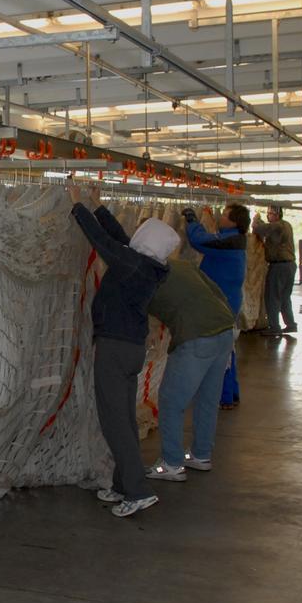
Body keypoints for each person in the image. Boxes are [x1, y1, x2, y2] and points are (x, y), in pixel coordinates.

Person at [71, 202, 179, 518]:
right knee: (126, 419)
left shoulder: (133, 265)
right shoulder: (147, 265)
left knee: (114, 422)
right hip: (128, 349)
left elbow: (105, 244)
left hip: (115, 349)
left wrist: (78, 209)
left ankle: (138, 491)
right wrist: (98, 207)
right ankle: (122, 484)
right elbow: (121, 241)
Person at [144, 256, 237, 481]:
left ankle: (172, 463)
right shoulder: (181, 264)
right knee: (207, 397)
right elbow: (218, 294)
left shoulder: (146, 275)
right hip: (224, 330)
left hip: (196, 337)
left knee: (170, 400)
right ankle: (201, 454)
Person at [182, 203, 248, 410]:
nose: (220, 217)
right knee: (226, 347)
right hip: (226, 300)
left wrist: (192, 221)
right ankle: (231, 393)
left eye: (225, 215)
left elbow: (200, 241)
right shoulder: (231, 238)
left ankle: (225, 396)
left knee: (221, 350)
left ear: (234, 221)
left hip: (222, 302)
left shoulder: (230, 241)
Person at [252, 205, 298, 337]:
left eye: (270, 214)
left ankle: (274, 327)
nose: (268, 216)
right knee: (284, 296)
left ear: (277, 215)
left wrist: (256, 221)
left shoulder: (278, 226)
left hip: (279, 266)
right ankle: (290, 324)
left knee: (272, 296)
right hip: (288, 265)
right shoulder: (285, 225)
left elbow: (261, 229)